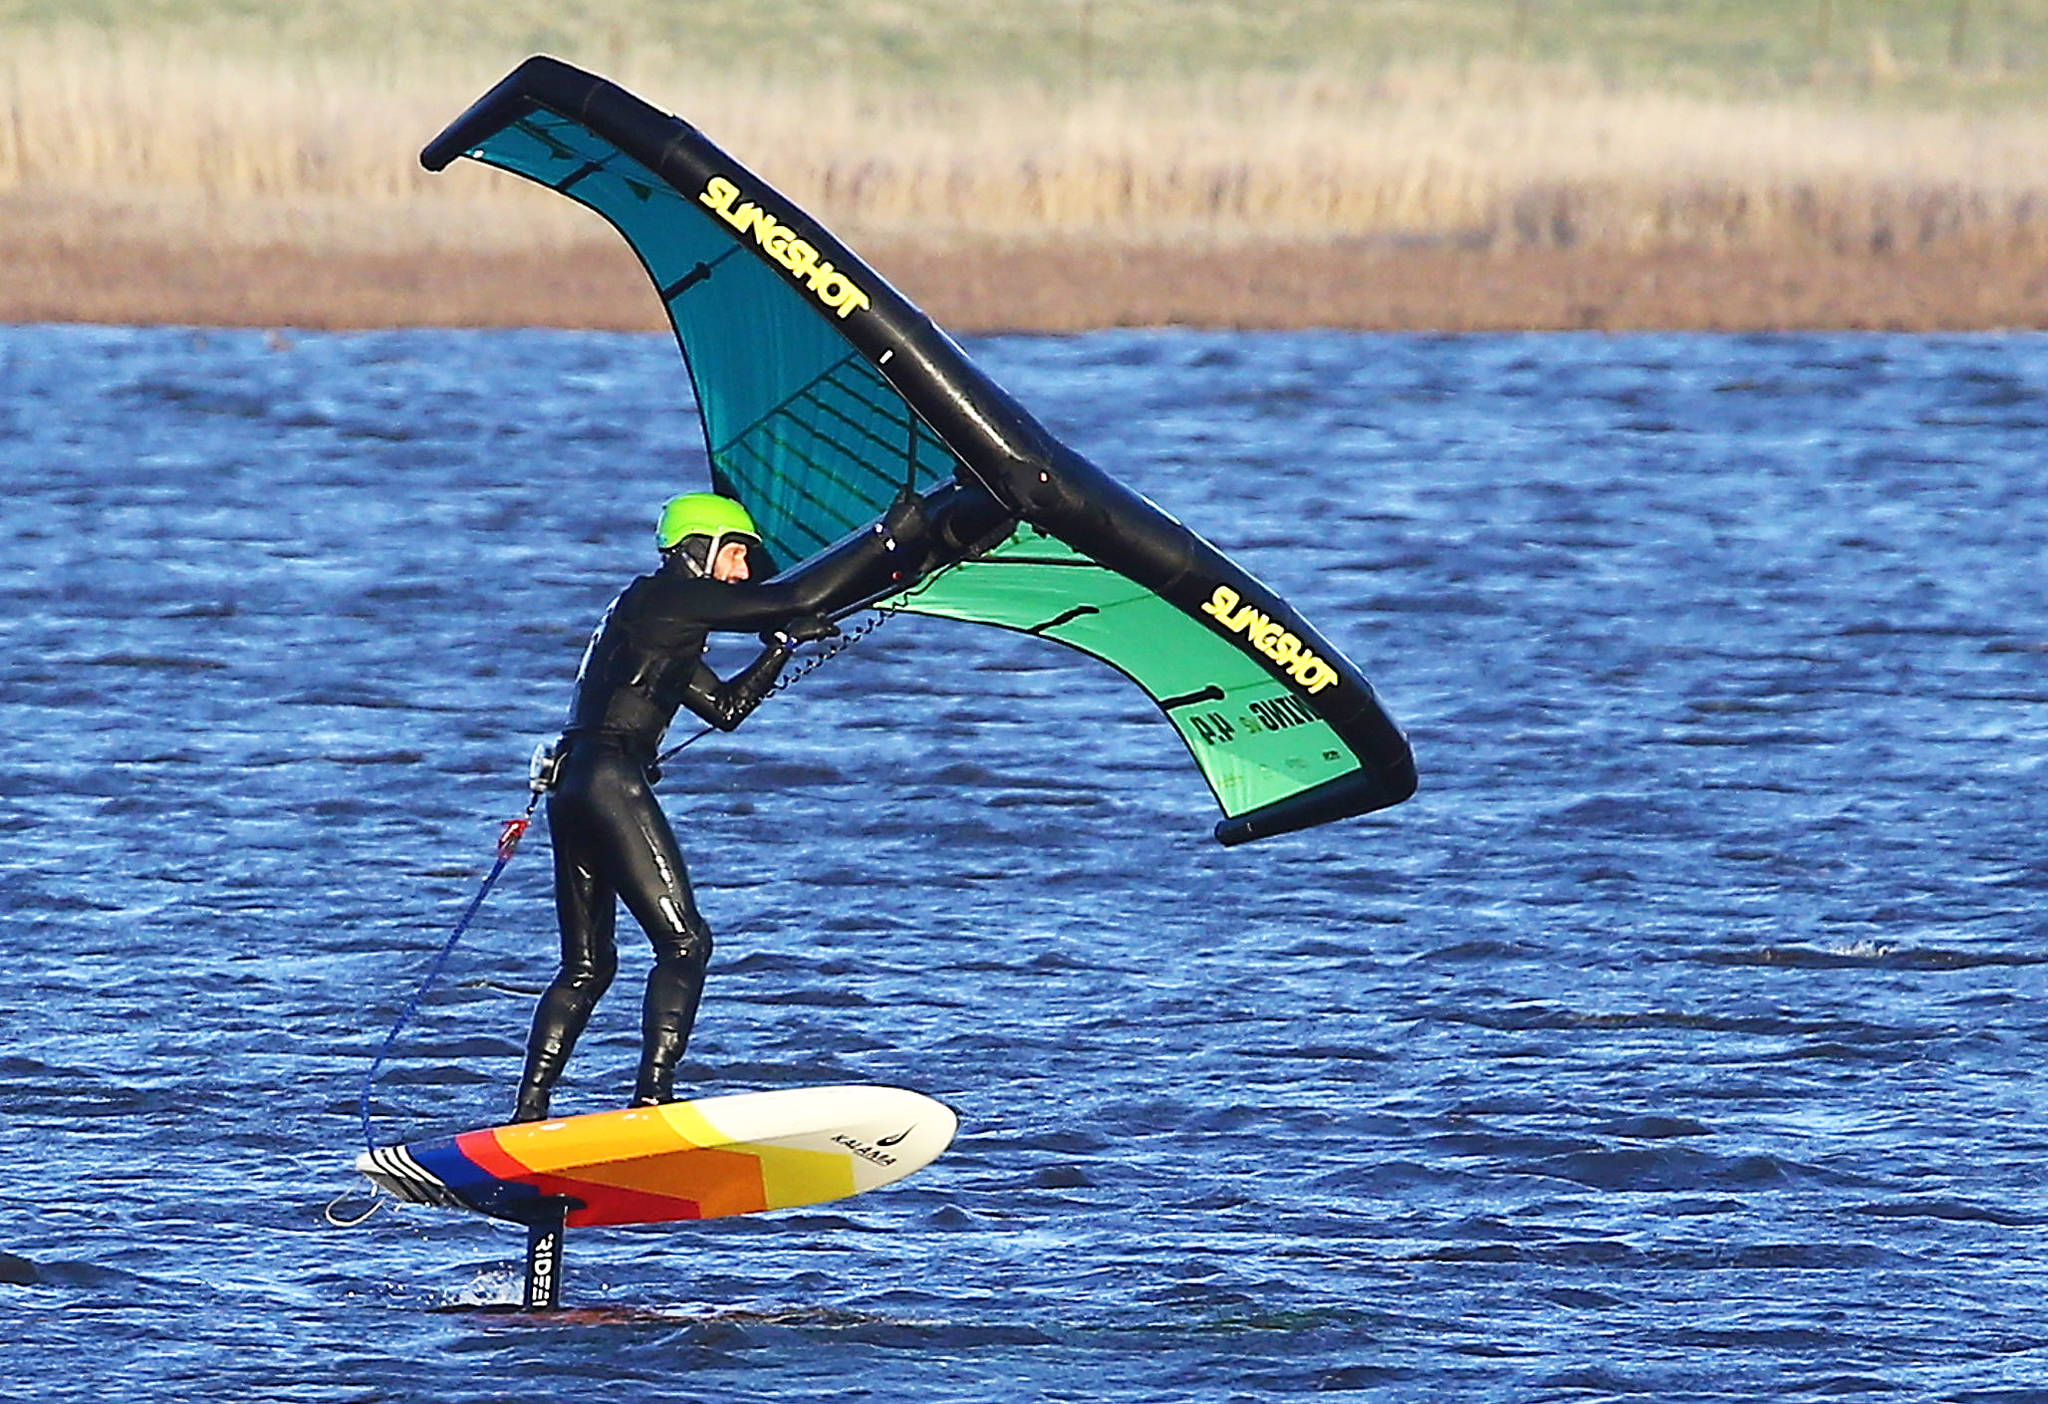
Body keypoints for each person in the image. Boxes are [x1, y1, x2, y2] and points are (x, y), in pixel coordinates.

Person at [512, 490, 928, 1123]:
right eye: (735, 555)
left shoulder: (655, 616)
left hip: (571, 784)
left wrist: (780, 650)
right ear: (697, 551)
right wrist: (886, 540)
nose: (740, 572)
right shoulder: (670, 594)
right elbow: (791, 597)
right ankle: (654, 1097)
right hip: (609, 779)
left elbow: (725, 710)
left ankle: (529, 1112)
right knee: (685, 944)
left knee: (588, 966)